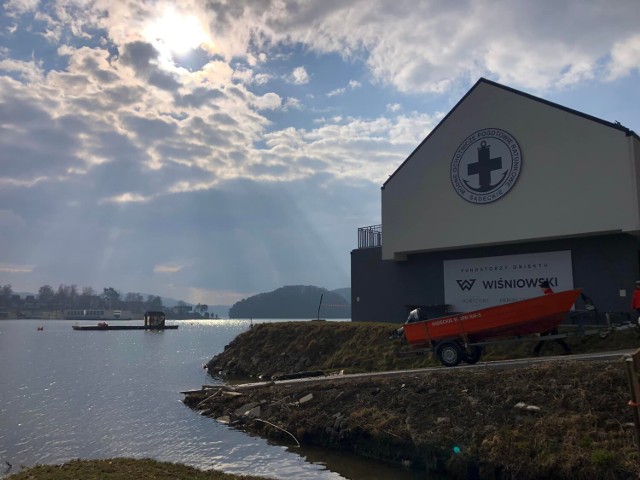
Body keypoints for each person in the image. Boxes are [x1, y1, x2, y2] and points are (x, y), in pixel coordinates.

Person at [533, 280, 571, 356]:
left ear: (545, 288)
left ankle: (535, 352)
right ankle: (567, 350)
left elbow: (548, 309)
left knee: (545, 336)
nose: (541, 289)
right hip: (552, 319)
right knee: (552, 336)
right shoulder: (550, 294)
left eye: (541, 287)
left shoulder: (548, 295)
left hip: (550, 320)